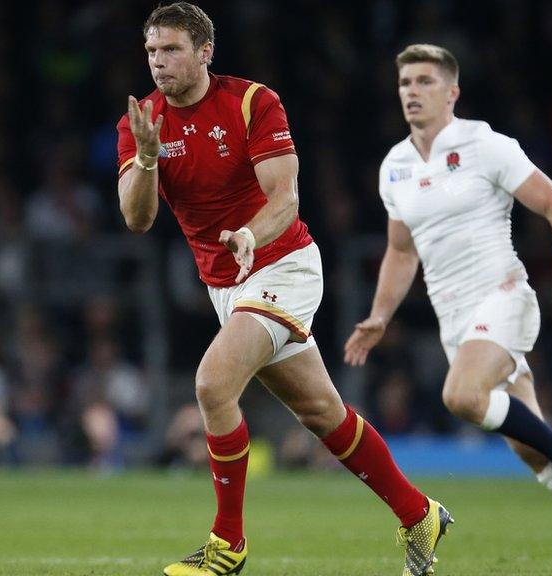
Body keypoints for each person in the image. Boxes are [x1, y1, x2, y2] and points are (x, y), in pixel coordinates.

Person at [117, 5, 451, 576]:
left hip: (284, 267)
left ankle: (228, 546)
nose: (158, 62)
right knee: (323, 413)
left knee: (212, 384)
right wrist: (147, 157)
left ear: (204, 52)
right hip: (226, 287)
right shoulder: (142, 123)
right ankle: (418, 512)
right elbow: (137, 218)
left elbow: (287, 199)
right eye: (152, 51)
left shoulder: (252, 102)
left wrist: (250, 233)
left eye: (171, 50)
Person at [344, 44, 552, 572]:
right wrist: (380, 316)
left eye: (424, 82)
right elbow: (401, 252)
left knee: (462, 395)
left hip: (503, 296)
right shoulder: (395, 167)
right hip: (456, 323)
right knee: (530, 450)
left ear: (452, 93)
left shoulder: (484, 143)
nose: (412, 92)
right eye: (405, 83)